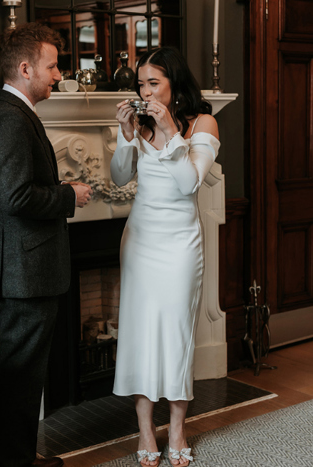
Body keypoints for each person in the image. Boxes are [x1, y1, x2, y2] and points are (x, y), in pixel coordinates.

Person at [0, 23, 93, 467]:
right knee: (19, 377)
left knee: (21, 376)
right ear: (25, 68)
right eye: (52, 65)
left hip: (27, 268)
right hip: (25, 272)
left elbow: (19, 186)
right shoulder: (7, 118)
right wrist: (69, 196)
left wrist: (58, 186)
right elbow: (15, 197)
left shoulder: (13, 114)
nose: (58, 74)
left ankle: (16, 458)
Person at [110, 47, 220, 467]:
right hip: (139, 242)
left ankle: (176, 428)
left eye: (154, 82)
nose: (145, 91)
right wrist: (124, 135)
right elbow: (120, 177)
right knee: (138, 335)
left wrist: (171, 130)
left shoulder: (201, 124)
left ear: (175, 83)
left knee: (176, 338)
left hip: (179, 247)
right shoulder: (138, 125)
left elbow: (188, 183)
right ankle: (144, 431)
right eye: (141, 84)